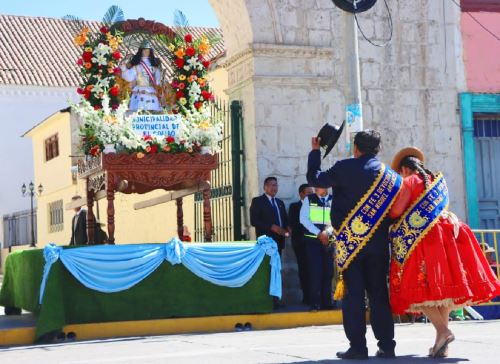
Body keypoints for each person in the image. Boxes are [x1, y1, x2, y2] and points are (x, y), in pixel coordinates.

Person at [388, 147, 500, 358]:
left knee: (419, 288)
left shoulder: (410, 181)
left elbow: (396, 210)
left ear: (404, 169)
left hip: (423, 238)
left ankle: (443, 331)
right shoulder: (435, 179)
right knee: (443, 292)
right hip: (448, 234)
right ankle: (442, 345)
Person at [307, 130, 403, 360]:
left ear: (355, 147)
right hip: (378, 245)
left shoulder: (344, 167)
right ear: (377, 150)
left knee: (353, 297)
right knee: (379, 294)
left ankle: (358, 348)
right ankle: (387, 346)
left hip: (350, 245)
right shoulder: (388, 175)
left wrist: (315, 151)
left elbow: (315, 179)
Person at [300, 187, 334, 311]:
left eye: (320, 186)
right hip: (313, 242)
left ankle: (327, 302)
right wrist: (319, 233)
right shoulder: (309, 199)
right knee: (315, 272)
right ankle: (315, 302)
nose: (317, 188)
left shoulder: (333, 199)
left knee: (328, 272)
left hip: (328, 241)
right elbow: (303, 219)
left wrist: (327, 232)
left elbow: (337, 219)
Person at [250, 176, 290, 256]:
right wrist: (271, 226)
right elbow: (254, 221)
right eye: (271, 185)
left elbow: (284, 219)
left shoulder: (280, 203)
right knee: (268, 266)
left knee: (277, 265)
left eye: (275, 185)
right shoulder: (258, 201)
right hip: (266, 241)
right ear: (265, 187)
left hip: (279, 240)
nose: (274, 188)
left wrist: (288, 229)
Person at [288, 183, 313, 304]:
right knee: (304, 270)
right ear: (301, 194)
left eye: (312, 193)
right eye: (309, 193)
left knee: (315, 270)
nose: (311, 195)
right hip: (301, 244)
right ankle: (307, 297)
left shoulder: (315, 205)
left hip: (314, 243)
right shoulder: (294, 207)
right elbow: (295, 224)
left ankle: (316, 296)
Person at [120, 40, 162, 112]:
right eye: (144, 50)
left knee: (152, 111)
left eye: (148, 50)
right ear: (141, 51)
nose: (146, 52)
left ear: (150, 51)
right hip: (139, 91)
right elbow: (129, 77)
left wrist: (158, 78)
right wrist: (124, 68)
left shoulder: (154, 65)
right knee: (137, 111)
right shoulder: (137, 66)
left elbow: (158, 80)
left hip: (151, 91)